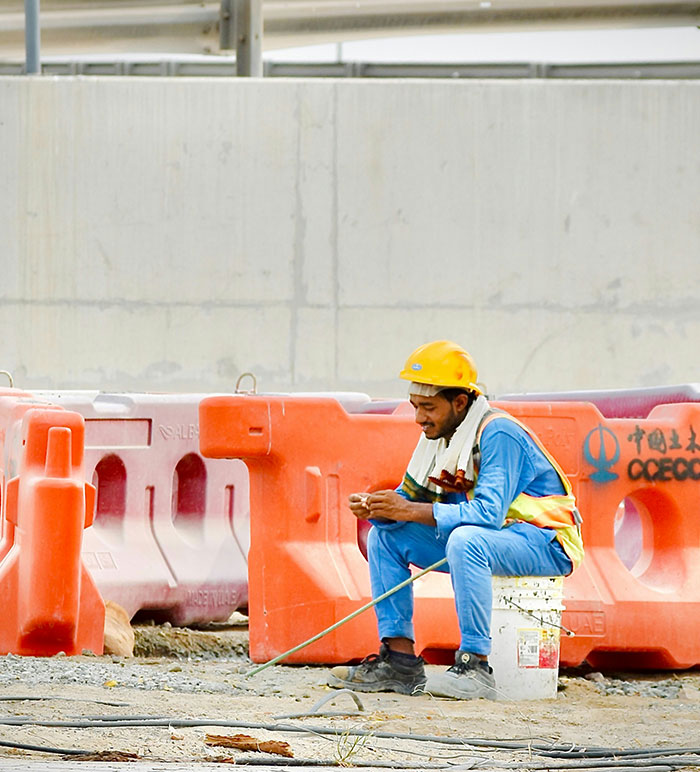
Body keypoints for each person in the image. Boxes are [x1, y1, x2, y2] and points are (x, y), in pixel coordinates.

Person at [328, 340, 583, 700]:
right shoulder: (438, 438)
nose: (419, 418)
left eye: (428, 408)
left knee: (466, 540)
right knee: (384, 538)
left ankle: (474, 666)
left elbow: (487, 516)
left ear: (459, 402)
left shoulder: (498, 433)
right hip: (494, 541)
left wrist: (408, 510)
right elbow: (410, 503)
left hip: (544, 542)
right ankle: (399, 661)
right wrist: (380, 510)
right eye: (416, 407)